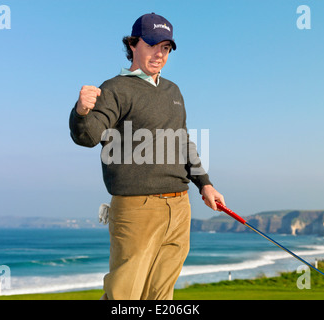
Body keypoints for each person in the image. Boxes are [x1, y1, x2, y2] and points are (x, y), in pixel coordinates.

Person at [69, 13, 225, 300]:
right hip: (136, 209)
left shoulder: (173, 91)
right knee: (124, 296)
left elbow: (182, 141)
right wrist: (81, 112)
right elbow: (87, 137)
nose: (159, 54)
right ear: (133, 44)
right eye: (152, 44)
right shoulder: (115, 89)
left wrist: (205, 183)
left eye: (165, 47)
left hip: (179, 207)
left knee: (160, 296)